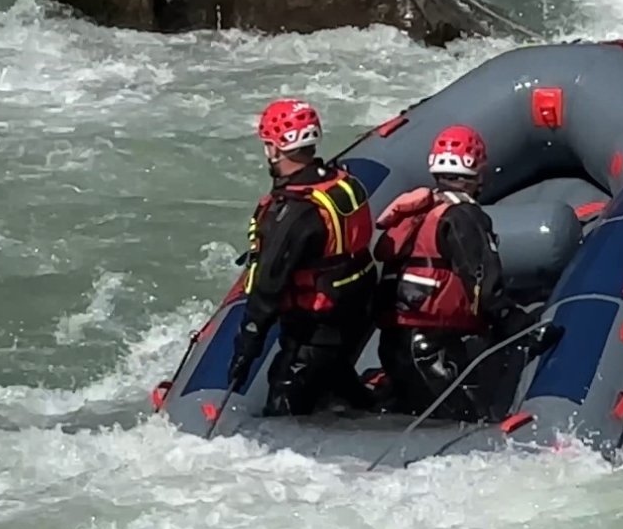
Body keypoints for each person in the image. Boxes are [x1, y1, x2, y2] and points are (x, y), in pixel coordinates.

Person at [371, 124, 559, 422]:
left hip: (395, 344)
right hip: (431, 350)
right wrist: (523, 329)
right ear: (477, 172)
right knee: (463, 423)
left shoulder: (423, 209)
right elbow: (485, 285)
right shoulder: (463, 216)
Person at [227, 98, 378, 417]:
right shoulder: (340, 182)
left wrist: (247, 345)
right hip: (355, 311)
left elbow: (269, 285)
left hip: (315, 327)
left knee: (285, 398)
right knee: (335, 374)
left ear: (275, 148)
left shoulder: (295, 212)